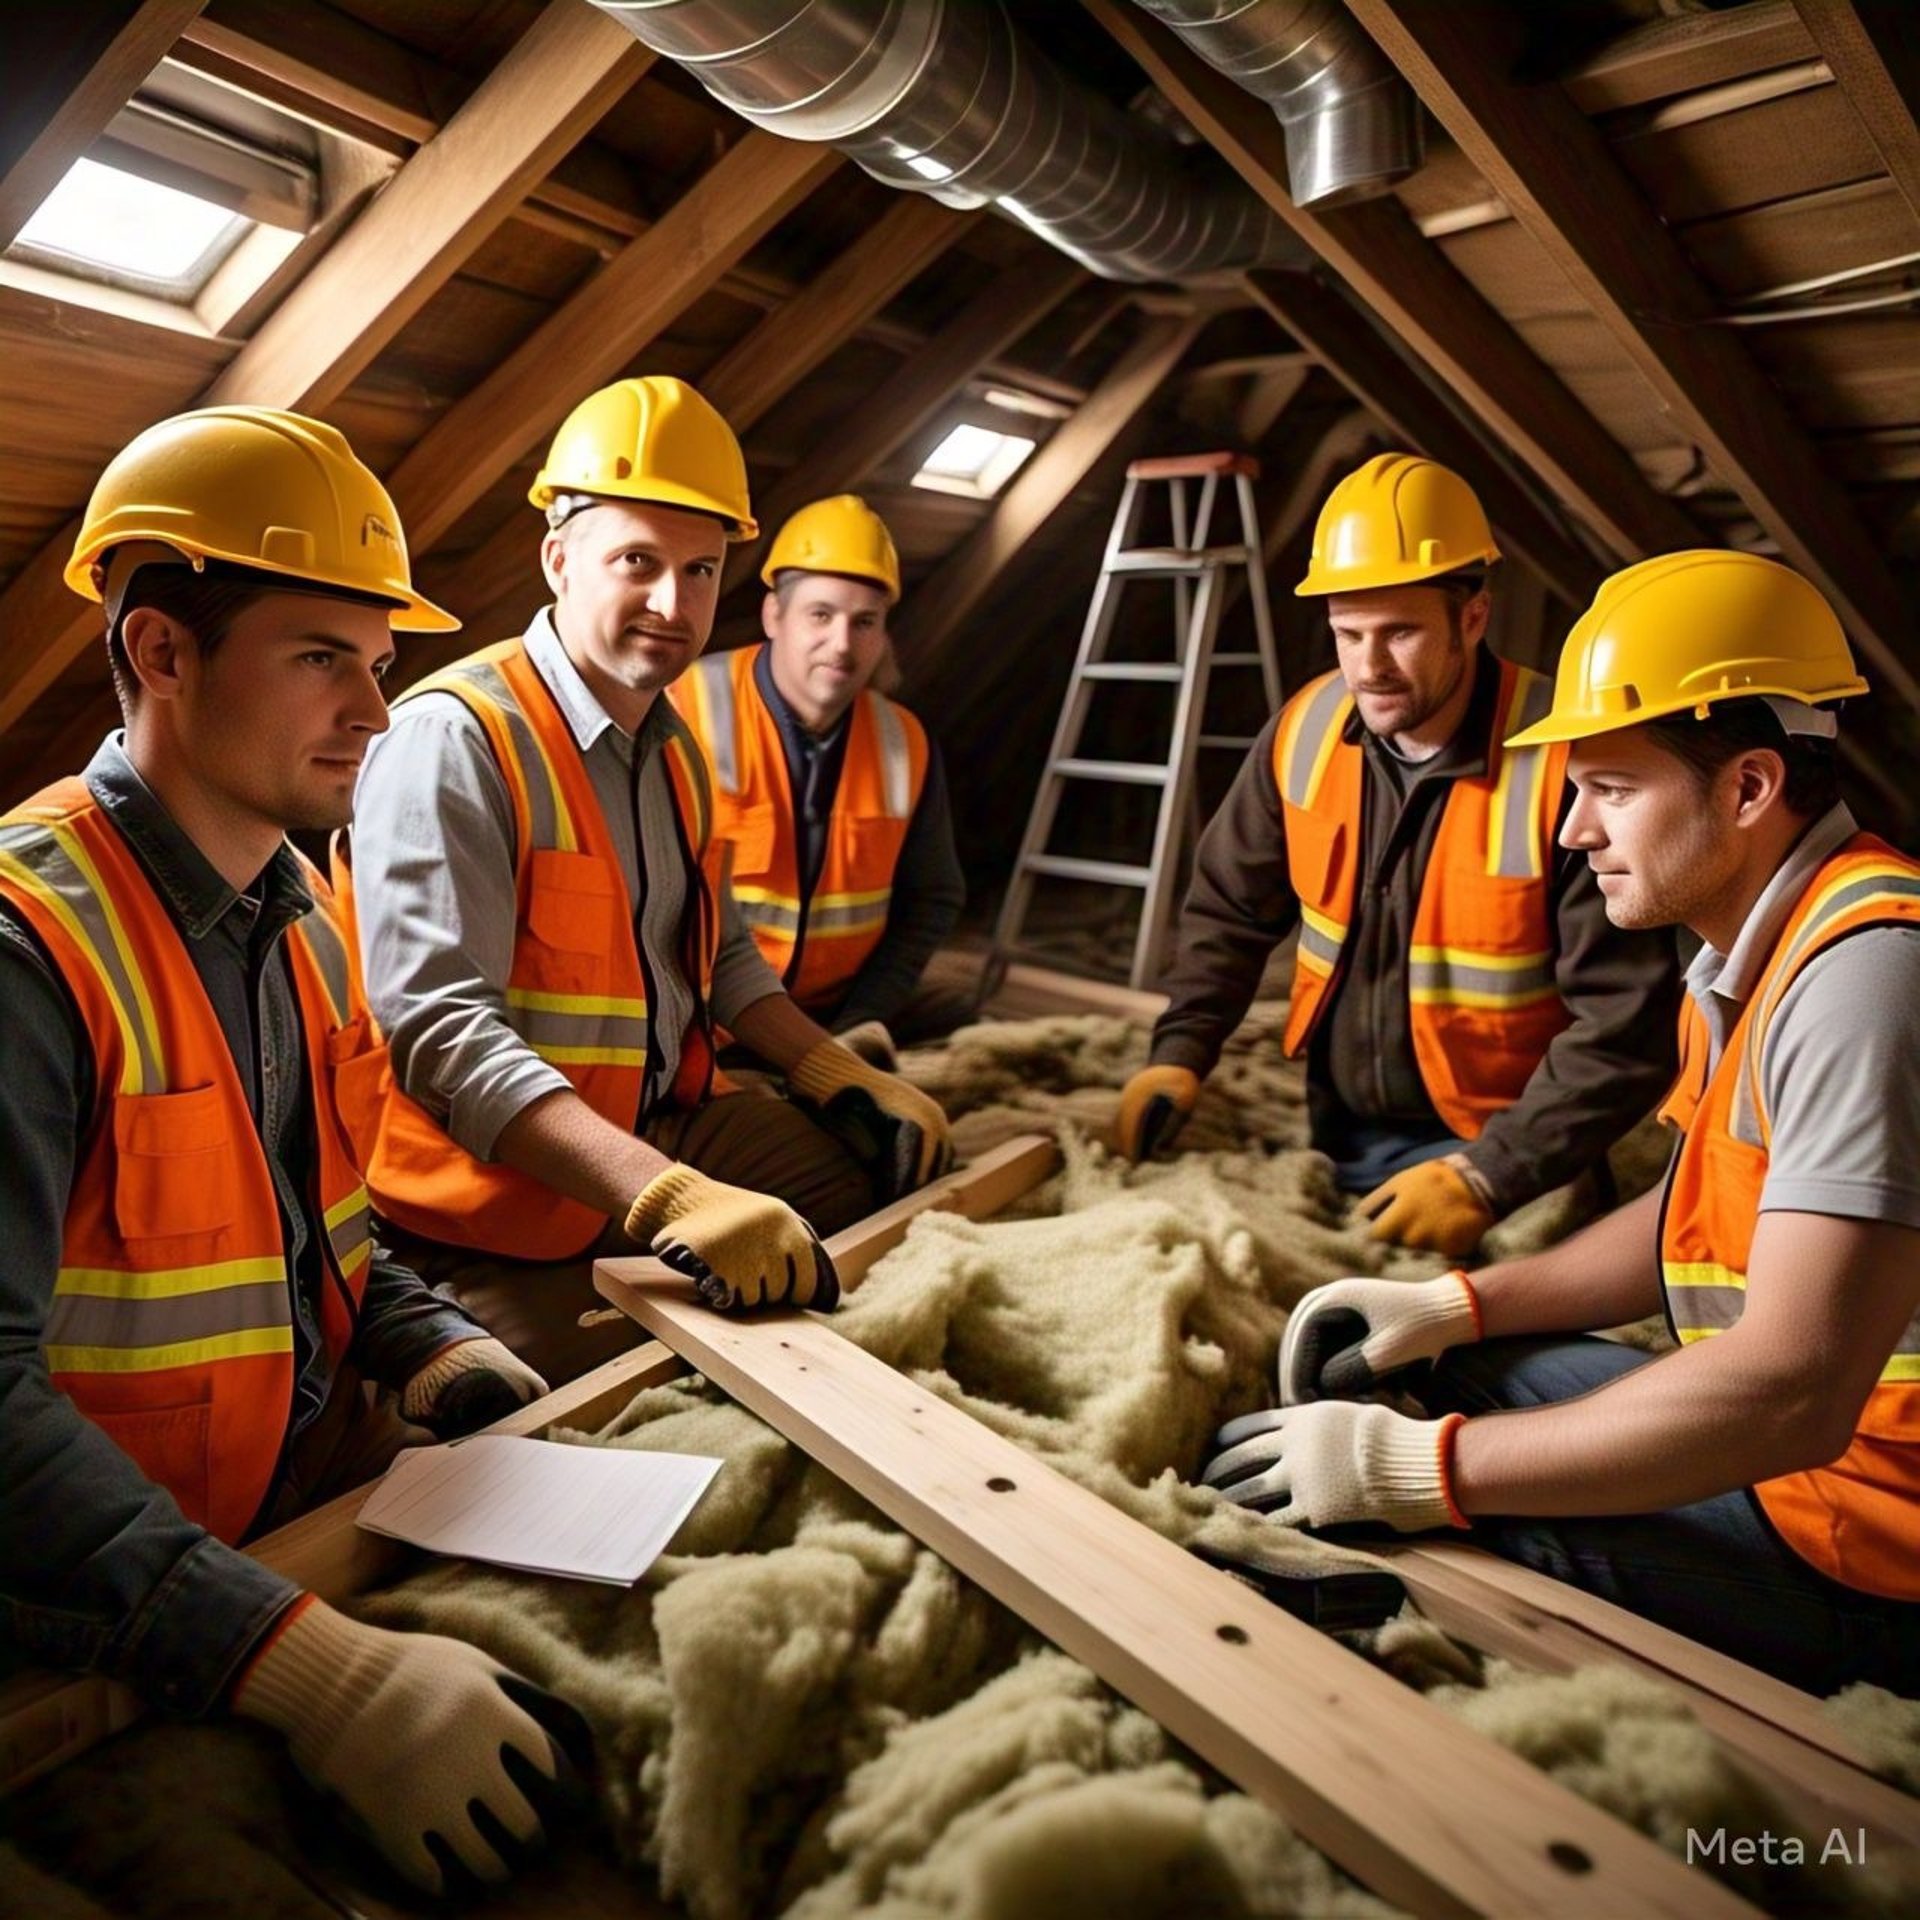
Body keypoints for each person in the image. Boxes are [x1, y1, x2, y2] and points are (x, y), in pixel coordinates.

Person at [0, 406, 583, 1893]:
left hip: (281, 1504)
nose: (375, 714)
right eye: (322, 657)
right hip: (81, 1609)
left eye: (379, 666)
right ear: (160, 653)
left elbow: (310, 1233)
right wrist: (300, 1664)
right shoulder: (29, 947)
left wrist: (432, 1346)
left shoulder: (305, 911)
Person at [1205, 550, 1920, 1696]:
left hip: (1867, 1537)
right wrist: (1460, 1305)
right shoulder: (1760, 948)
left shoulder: (1865, 985)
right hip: (1804, 1462)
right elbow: (1689, 1219)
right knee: (1444, 1380)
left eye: (1613, 790)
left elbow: (1791, 1388)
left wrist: (1421, 1475)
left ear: (1746, 788)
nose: (1576, 831)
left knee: (1399, 1532)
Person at [343, 379, 953, 1383]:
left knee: (877, 1187)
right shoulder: (457, 737)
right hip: (490, 1181)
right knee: (580, 1380)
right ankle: (448, 1310)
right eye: (639, 562)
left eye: (701, 570)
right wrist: (668, 1198)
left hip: (656, 1117)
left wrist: (838, 1073)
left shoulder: (670, 749)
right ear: (558, 559)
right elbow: (442, 1036)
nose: (674, 605)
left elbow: (721, 959)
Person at [1117, 453, 1681, 1257]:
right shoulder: (1306, 732)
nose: (1368, 667)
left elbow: (1628, 1024)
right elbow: (1229, 911)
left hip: (1511, 1151)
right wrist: (1180, 1049)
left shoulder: (1569, 762)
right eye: (1347, 634)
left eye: (1401, 633)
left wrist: (1492, 1175)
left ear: (1474, 617)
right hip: (1339, 1129)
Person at [669, 494, 965, 1066]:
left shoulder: (903, 741)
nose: (842, 644)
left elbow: (932, 897)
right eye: (821, 615)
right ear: (774, 616)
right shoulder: (681, 712)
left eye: (865, 623)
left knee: (958, 1015)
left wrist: (863, 1023)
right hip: (705, 1022)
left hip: (834, 1018)